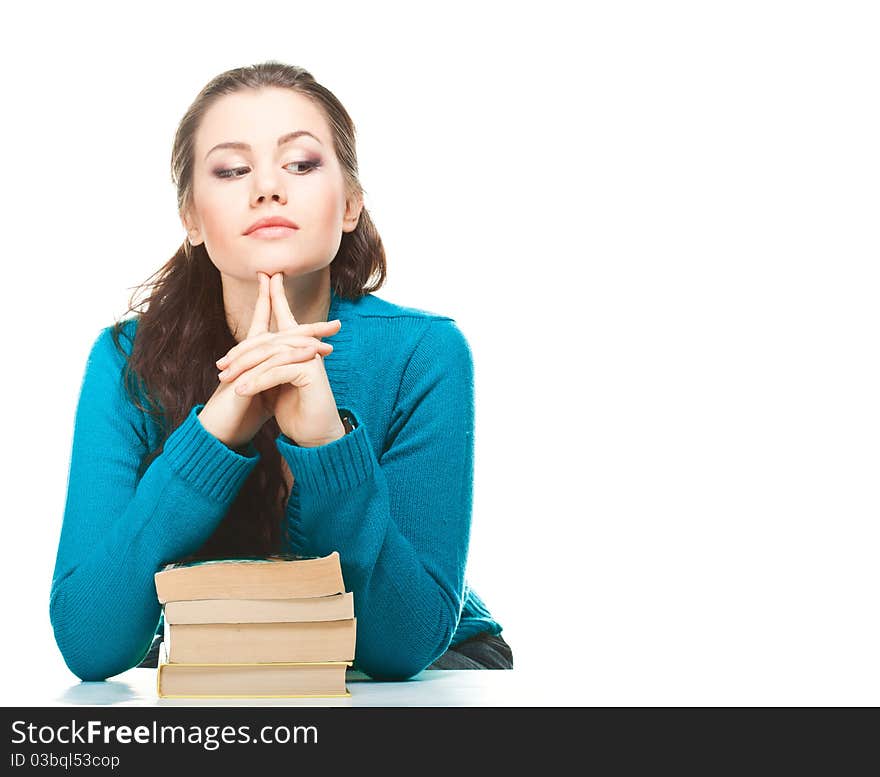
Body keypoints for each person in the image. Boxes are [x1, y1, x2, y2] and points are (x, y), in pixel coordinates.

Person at [49, 61, 511, 682]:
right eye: (232, 170)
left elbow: (402, 647)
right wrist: (213, 436)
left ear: (349, 204)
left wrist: (324, 444)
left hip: (424, 668)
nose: (267, 188)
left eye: (300, 164)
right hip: (230, 660)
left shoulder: (425, 354)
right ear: (191, 218)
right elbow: (89, 643)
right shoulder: (125, 360)